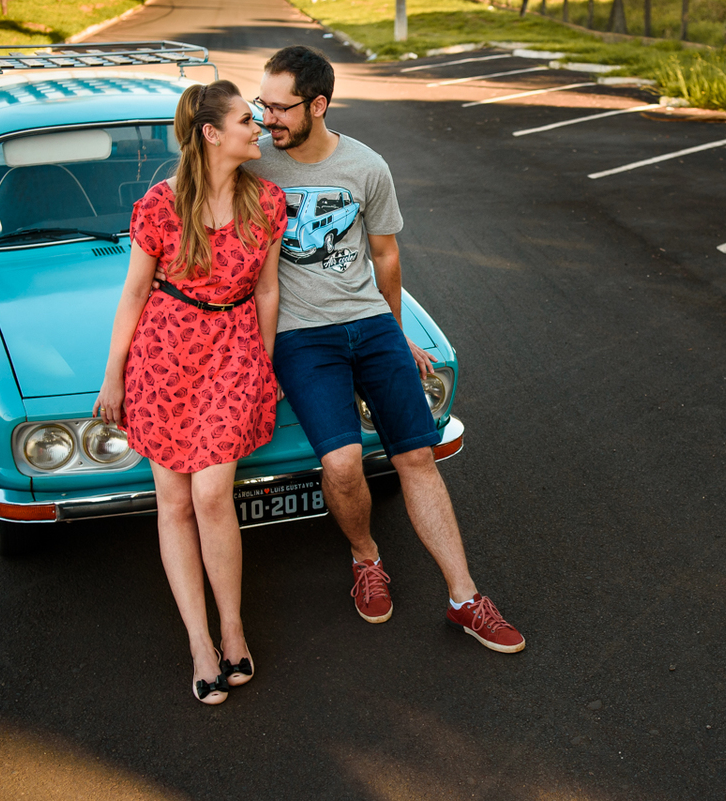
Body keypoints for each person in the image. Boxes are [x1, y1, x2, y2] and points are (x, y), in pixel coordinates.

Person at [245, 45, 525, 653]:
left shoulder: (366, 167)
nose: (267, 119)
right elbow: (193, 185)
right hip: (301, 334)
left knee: (417, 457)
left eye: (279, 107)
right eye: (261, 104)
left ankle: (465, 597)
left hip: (369, 323)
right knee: (341, 463)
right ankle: (366, 556)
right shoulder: (254, 162)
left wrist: (396, 331)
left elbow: (386, 255)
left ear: (318, 105)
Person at [95, 80, 289, 704]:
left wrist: (266, 364)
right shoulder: (159, 205)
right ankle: (200, 641)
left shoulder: (269, 203)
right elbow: (133, 292)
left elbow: (266, 292)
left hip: (233, 352)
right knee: (173, 501)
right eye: (244, 119)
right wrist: (113, 372)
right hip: (163, 356)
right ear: (211, 133)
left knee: (210, 493)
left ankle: (233, 626)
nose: (256, 126)